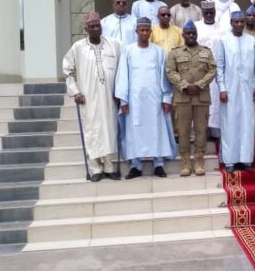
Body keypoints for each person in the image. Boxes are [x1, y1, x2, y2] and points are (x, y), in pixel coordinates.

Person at [62, 12, 122, 182]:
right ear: (86, 29)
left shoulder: (114, 45)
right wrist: (75, 91)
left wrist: (120, 92)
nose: (96, 29)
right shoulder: (78, 47)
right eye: (92, 26)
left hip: (110, 96)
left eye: (98, 26)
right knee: (92, 131)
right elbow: (68, 70)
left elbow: (122, 69)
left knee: (109, 130)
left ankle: (109, 167)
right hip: (88, 97)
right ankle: (95, 168)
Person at [115, 17, 177, 179]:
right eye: (141, 30)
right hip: (134, 101)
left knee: (157, 129)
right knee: (135, 130)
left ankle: (158, 164)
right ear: (136, 31)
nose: (144, 33)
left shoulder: (159, 51)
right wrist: (124, 100)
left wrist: (166, 98)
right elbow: (123, 75)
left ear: (150, 31)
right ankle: (136, 165)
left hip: (154, 100)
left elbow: (164, 76)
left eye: (146, 30)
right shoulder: (128, 51)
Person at [166, 20, 216, 177]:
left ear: (197, 34)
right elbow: (170, 71)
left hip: (201, 97)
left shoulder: (206, 52)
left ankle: (199, 161)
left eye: (194, 33)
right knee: (183, 131)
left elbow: (212, 70)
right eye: (188, 33)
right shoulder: (175, 52)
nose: (191, 35)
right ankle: (186, 162)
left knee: (201, 130)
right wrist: (185, 85)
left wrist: (199, 84)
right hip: (183, 97)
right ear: (183, 35)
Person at [216, 11, 255, 172]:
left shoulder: (252, 41)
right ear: (231, 23)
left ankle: (246, 159)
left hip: (249, 90)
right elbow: (219, 67)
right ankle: (230, 161)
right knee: (230, 123)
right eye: (236, 22)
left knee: (247, 123)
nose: (239, 24)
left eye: (242, 22)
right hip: (229, 89)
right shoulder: (223, 41)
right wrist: (222, 88)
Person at [195, 0, 225, 140]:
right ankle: (201, 132)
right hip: (200, 70)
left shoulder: (222, 28)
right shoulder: (196, 26)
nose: (208, 14)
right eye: (206, 12)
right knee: (201, 100)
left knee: (216, 101)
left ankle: (215, 131)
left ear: (214, 12)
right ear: (202, 12)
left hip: (217, 70)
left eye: (211, 12)